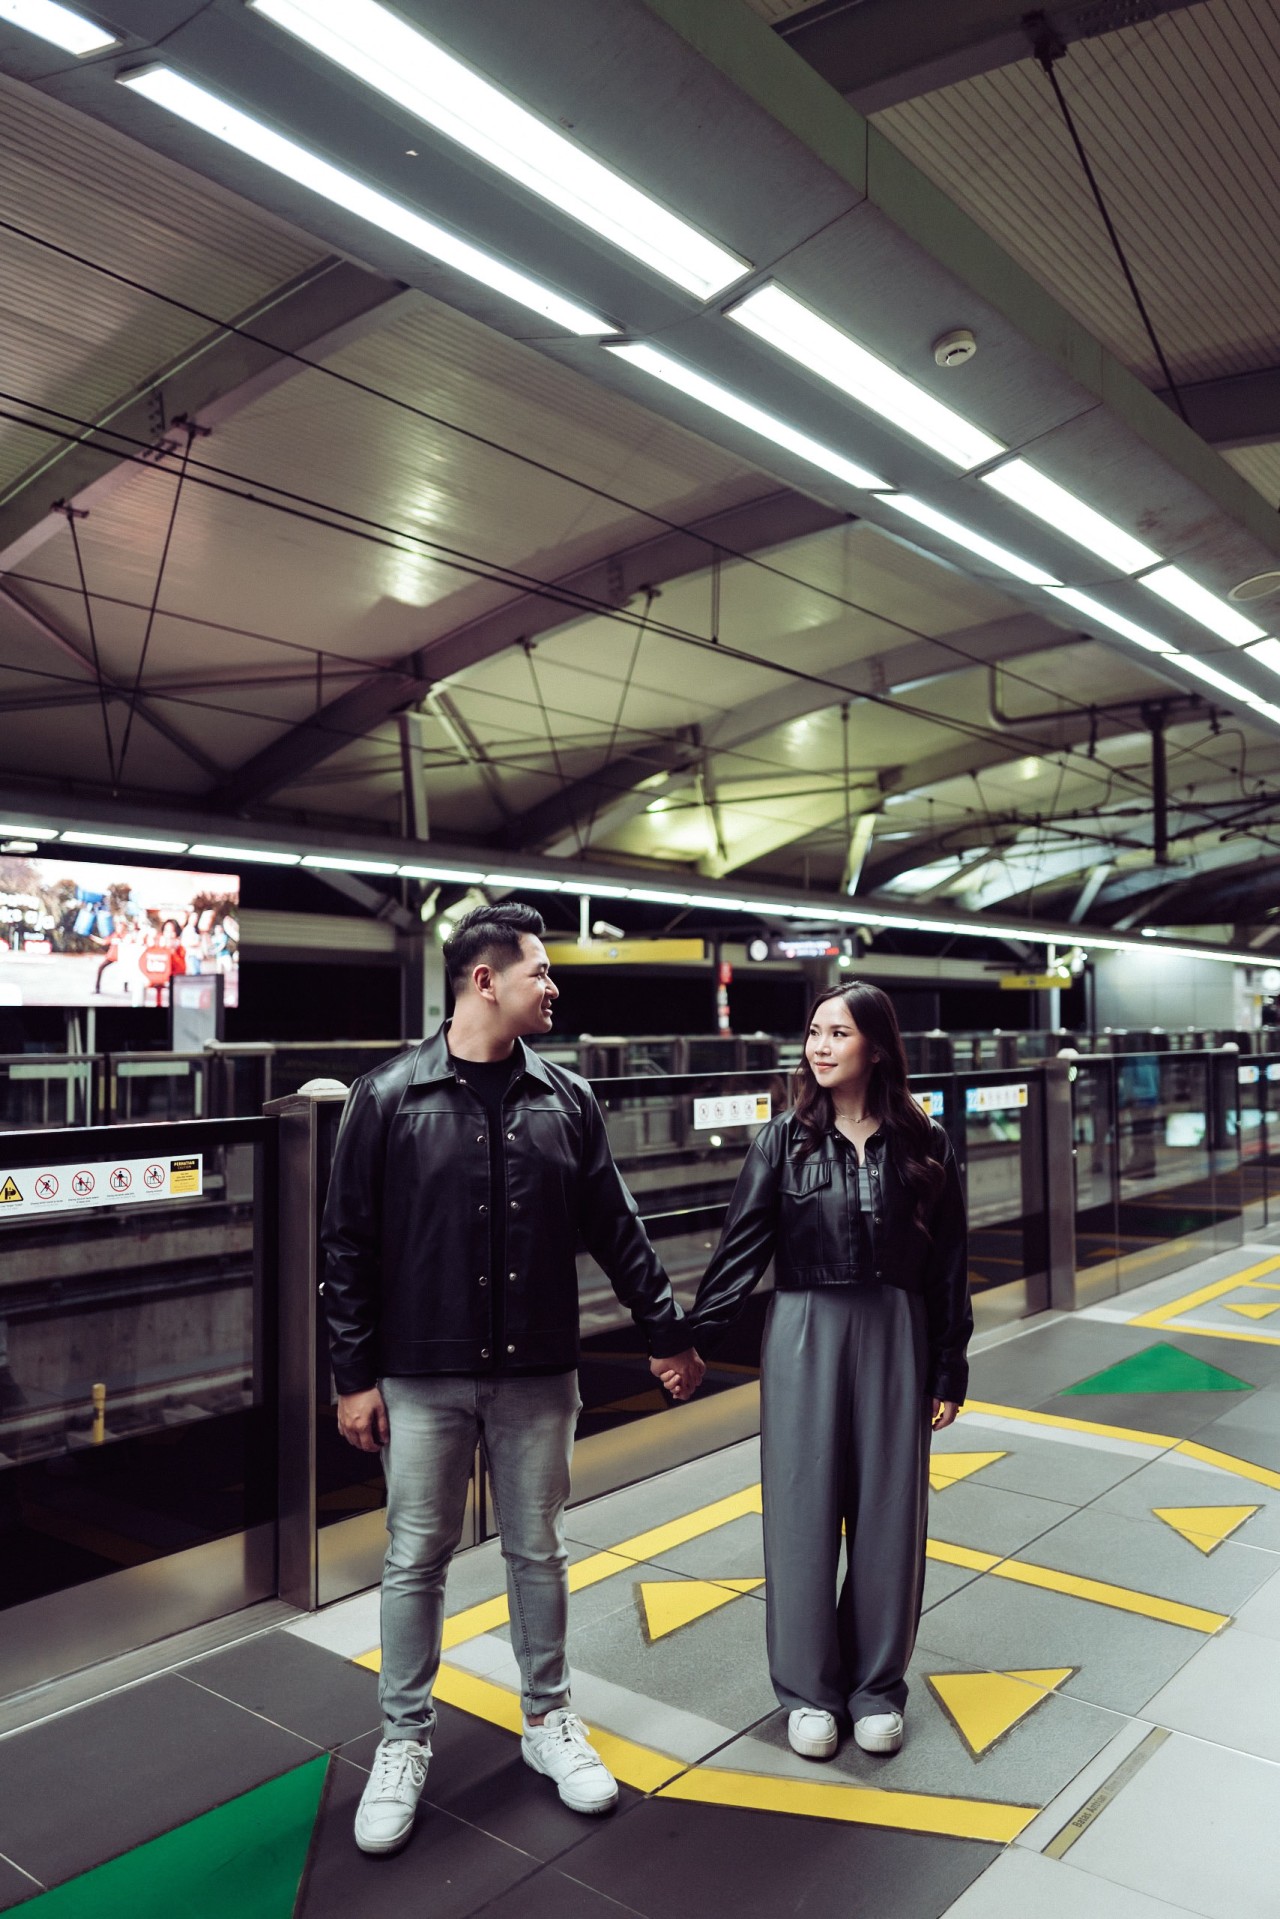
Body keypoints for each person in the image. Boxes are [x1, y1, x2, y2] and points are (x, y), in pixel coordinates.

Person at [321, 901, 703, 1857]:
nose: (553, 985)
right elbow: (347, 1245)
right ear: (484, 980)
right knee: (416, 1557)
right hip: (421, 1373)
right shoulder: (386, 1096)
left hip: (537, 1371)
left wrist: (666, 1331)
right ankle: (404, 1739)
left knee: (539, 1551)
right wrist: (352, 1375)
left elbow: (616, 1224)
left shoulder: (565, 1098)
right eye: (540, 969)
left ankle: (548, 1719)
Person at [670, 982, 970, 1762]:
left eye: (838, 1032)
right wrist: (690, 1340)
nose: (820, 1046)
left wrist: (949, 1365)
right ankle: (808, 1692)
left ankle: (876, 1688)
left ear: (877, 1045)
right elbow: (740, 1249)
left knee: (889, 1514)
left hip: (897, 1331)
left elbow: (949, 1266)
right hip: (803, 1331)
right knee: (801, 1512)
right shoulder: (782, 1141)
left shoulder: (926, 1142)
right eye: (813, 1032)